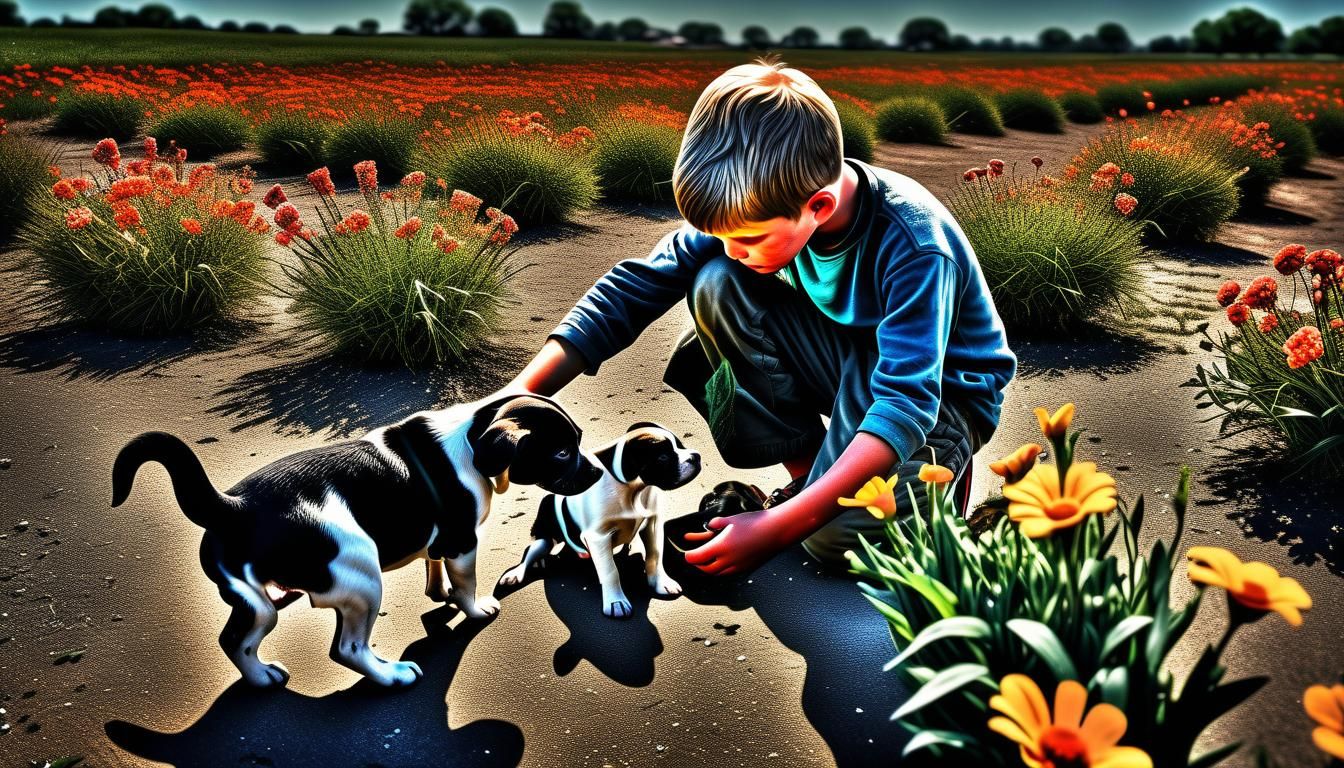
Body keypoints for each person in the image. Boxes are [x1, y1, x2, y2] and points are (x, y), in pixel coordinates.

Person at [502, 57, 1016, 576]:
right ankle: (809, 474)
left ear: (816, 207)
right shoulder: (757, 204)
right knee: (715, 282)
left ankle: (935, 482)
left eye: (745, 239)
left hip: (937, 394)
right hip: (845, 356)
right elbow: (634, 287)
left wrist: (779, 528)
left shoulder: (915, 245)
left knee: (831, 545)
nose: (731, 246)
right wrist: (519, 398)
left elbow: (903, 401)